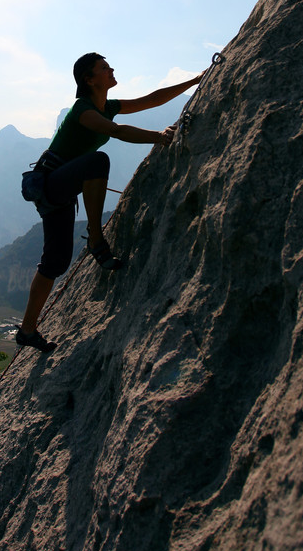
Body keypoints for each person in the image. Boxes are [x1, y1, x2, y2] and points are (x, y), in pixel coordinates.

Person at [16, 53, 206, 354]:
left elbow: (151, 100)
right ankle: (95, 236)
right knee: (97, 161)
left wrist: (194, 81)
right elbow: (115, 131)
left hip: (58, 190)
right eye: (104, 68)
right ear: (89, 80)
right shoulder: (83, 109)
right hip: (52, 184)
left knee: (56, 262)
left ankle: (27, 330)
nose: (111, 70)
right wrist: (159, 136)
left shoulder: (108, 107)